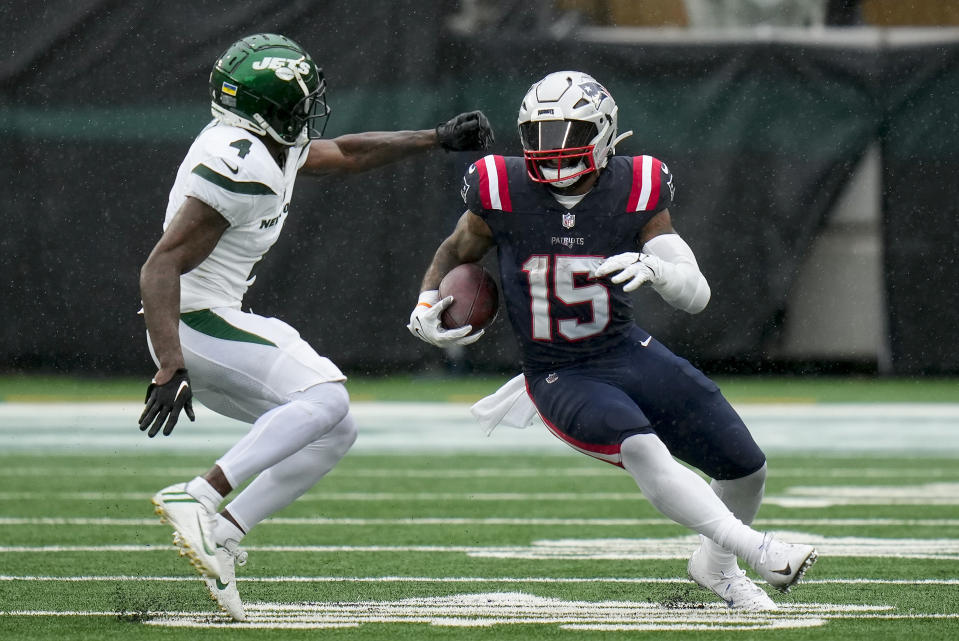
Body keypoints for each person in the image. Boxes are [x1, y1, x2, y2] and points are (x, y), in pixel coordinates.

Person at [407, 70, 816, 610]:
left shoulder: (636, 184)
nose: (551, 150)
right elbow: (457, 249)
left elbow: (696, 295)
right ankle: (760, 552)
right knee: (639, 445)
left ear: (602, 133)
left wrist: (657, 269)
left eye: (566, 134)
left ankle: (715, 568)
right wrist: (425, 302)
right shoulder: (499, 187)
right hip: (557, 371)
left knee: (746, 467)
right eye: (539, 134)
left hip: (624, 350)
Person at [138, 33, 493, 622]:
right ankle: (197, 495)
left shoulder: (267, 143)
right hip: (193, 319)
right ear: (261, 109)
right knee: (325, 393)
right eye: (295, 104)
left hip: (210, 316)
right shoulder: (237, 161)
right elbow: (160, 265)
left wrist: (432, 138)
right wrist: (171, 363)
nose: (306, 115)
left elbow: (348, 153)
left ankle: (223, 531)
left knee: (334, 429)